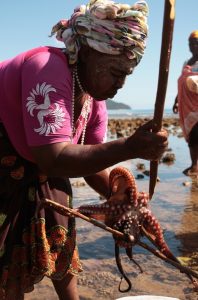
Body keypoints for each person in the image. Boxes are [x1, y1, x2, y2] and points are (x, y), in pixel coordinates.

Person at [0, 1, 168, 299]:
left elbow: (90, 160)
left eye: (127, 73)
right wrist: (130, 146)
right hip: (10, 159)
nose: (121, 83)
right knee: (7, 265)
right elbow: (54, 157)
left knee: (61, 238)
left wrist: (121, 198)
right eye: (116, 72)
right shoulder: (47, 67)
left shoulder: (94, 98)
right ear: (88, 54)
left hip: (41, 162)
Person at [173, 30, 198, 176]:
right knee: (191, 135)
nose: (193, 46)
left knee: (197, 134)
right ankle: (194, 165)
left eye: (196, 43)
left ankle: (195, 166)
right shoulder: (186, 63)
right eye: (190, 43)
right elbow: (182, 84)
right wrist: (177, 101)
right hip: (186, 105)